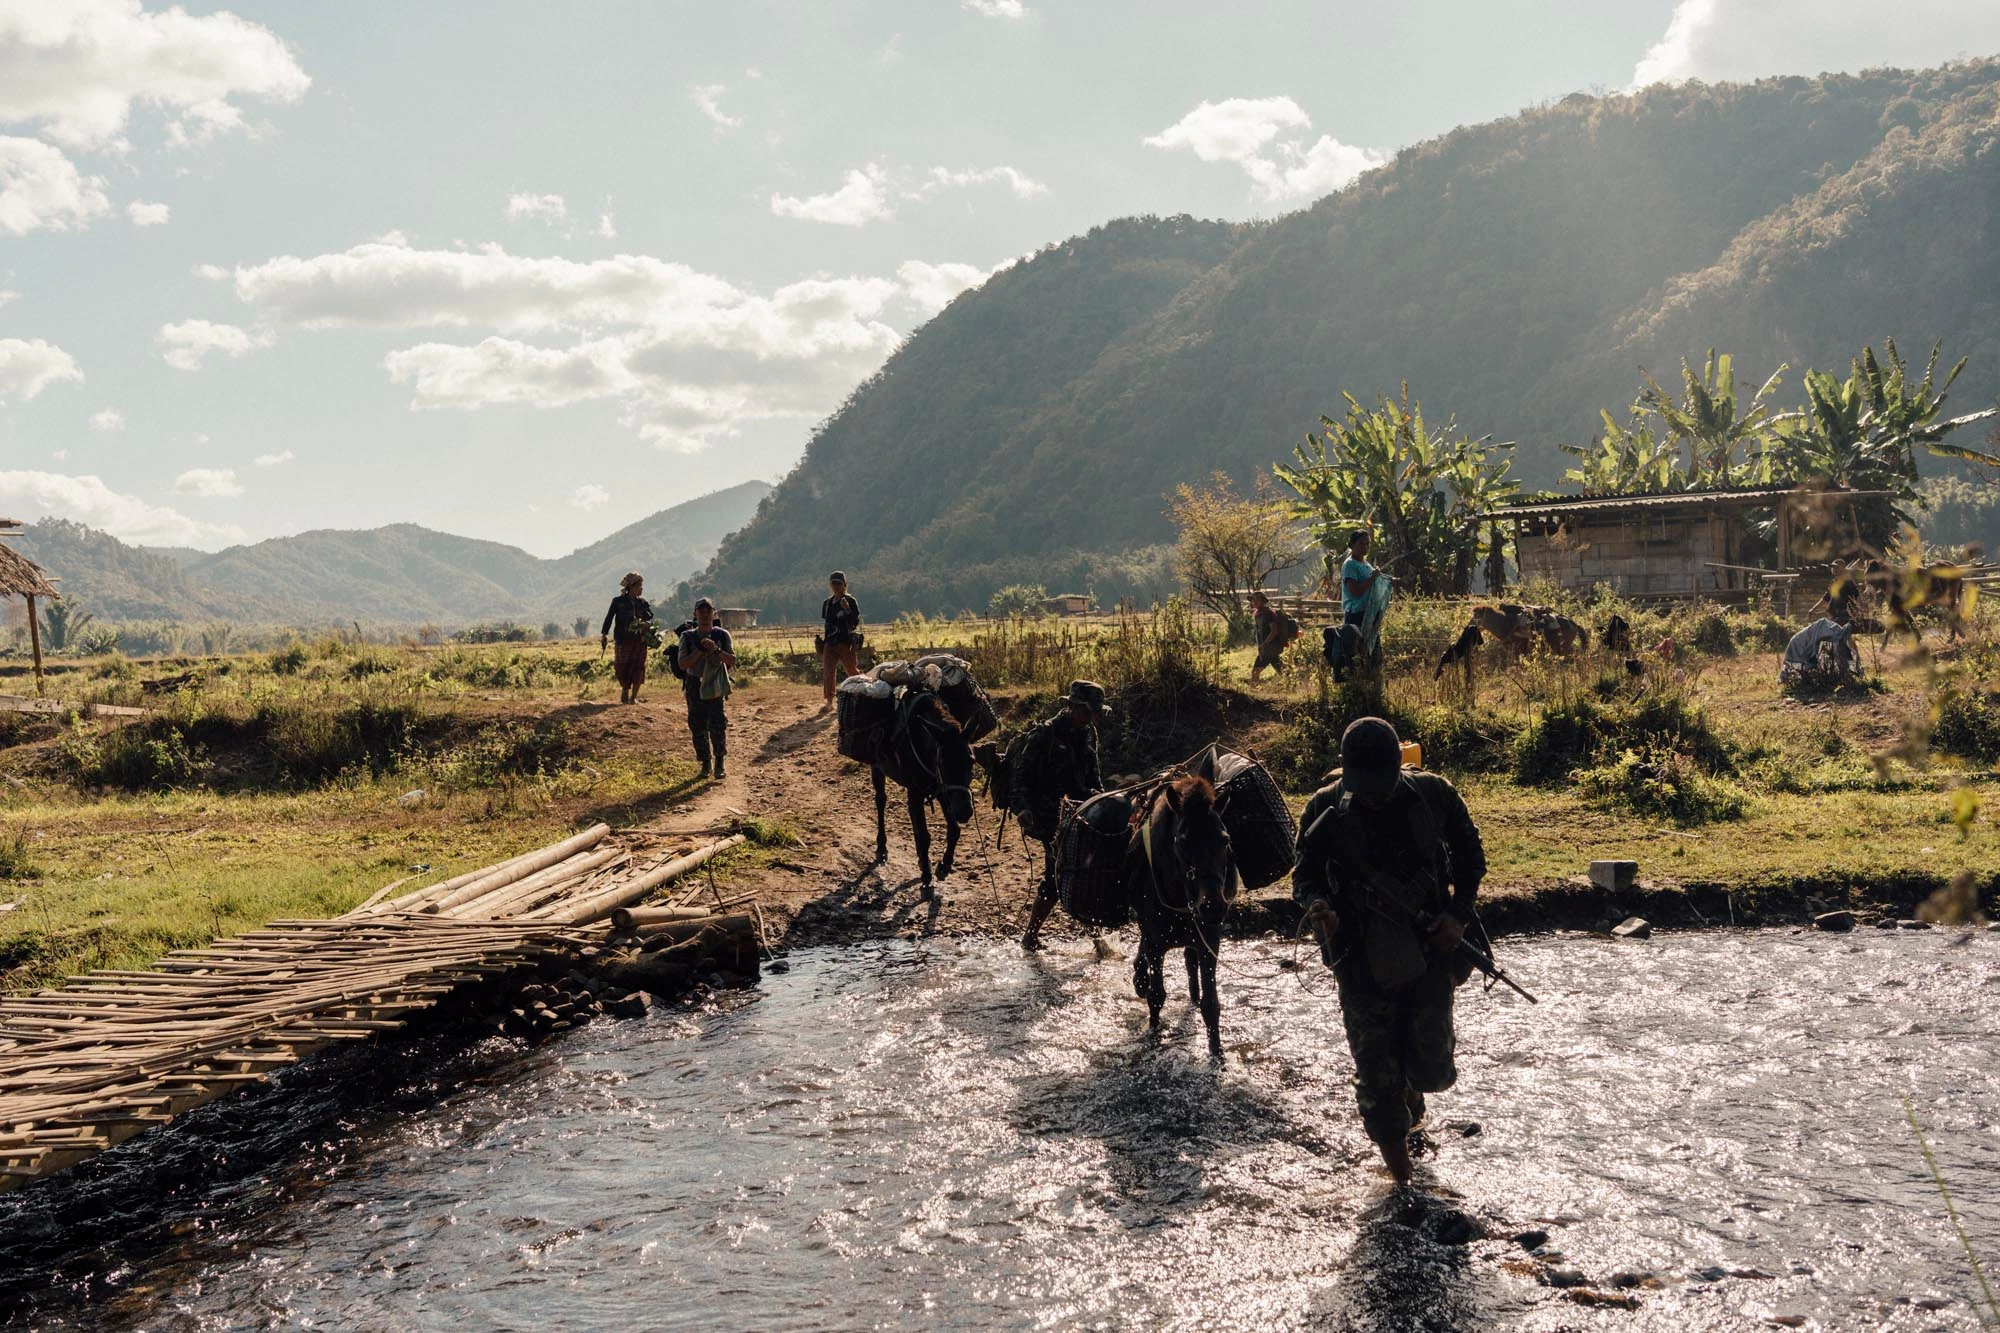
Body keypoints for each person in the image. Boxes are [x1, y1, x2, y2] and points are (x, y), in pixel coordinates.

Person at [1292, 716, 1487, 1185]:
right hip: (1359, 962)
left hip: (1430, 956)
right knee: (1378, 1081)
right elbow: (1304, 877)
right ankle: (1406, 1187)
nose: (1373, 795)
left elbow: (1471, 858)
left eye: (1380, 784)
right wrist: (1319, 907)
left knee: (1431, 1068)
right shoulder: (1323, 811)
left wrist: (1457, 916)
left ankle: (1412, 1108)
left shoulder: (1433, 795)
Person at [1019, 680, 1109, 951]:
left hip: (1080, 812)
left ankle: (1096, 939)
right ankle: (1031, 936)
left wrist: (1105, 802)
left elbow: (1094, 777)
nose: (1092, 718)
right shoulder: (1044, 735)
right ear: (1071, 707)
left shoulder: (1086, 735)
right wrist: (1023, 810)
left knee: (1087, 870)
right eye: (1088, 711)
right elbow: (1021, 777)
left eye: (1094, 713)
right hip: (1047, 817)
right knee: (1057, 872)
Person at [678, 598, 738, 779]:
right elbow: (682, 664)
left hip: (715, 682)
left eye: (708, 611)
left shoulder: (722, 635)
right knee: (697, 724)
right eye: (701, 611)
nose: (704, 614)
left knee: (717, 723)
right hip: (694, 682)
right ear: (695, 614)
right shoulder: (687, 637)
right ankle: (705, 764)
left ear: (714, 613)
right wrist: (699, 650)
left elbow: (732, 661)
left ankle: (719, 762)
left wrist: (716, 650)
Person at [599, 572, 654, 705]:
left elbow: (650, 617)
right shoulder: (618, 602)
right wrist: (604, 634)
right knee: (622, 666)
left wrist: (647, 624)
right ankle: (625, 690)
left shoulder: (642, 603)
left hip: (640, 641)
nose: (641, 589)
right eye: (639, 586)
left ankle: (633, 697)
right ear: (631, 587)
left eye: (642, 586)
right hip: (623, 640)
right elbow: (609, 618)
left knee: (639, 666)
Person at [819, 571, 862, 711]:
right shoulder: (827, 603)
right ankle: (829, 702)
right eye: (834, 584)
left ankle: (864, 691)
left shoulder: (850, 601)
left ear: (845, 585)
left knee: (851, 670)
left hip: (845, 642)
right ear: (830, 585)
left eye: (839, 584)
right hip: (830, 643)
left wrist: (847, 610)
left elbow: (854, 622)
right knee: (828, 672)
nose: (836, 586)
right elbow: (827, 623)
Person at [1341, 530, 1392, 629]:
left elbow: (1378, 578)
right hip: (1356, 614)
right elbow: (1355, 591)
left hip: (1368, 612)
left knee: (1371, 643)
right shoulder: (1350, 564)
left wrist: (1392, 580)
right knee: (1356, 644)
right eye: (1361, 544)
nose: (1365, 547)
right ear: (1352, 544)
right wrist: (1372, 578)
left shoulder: (1365, 564)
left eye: (1367, 544)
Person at [1248, 590, 1282, 683]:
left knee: (1255, 672)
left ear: (1263, 601)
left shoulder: (1268, 613)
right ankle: (1295, 685)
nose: (1254, 602)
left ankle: (1253, 692)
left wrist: (1264, 644)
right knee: (1283, 672)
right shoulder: (1258, 614)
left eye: (1257, 600)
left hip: (1270, 648)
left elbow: (1274, 631)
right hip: (1266, 650)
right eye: (1253, 600)